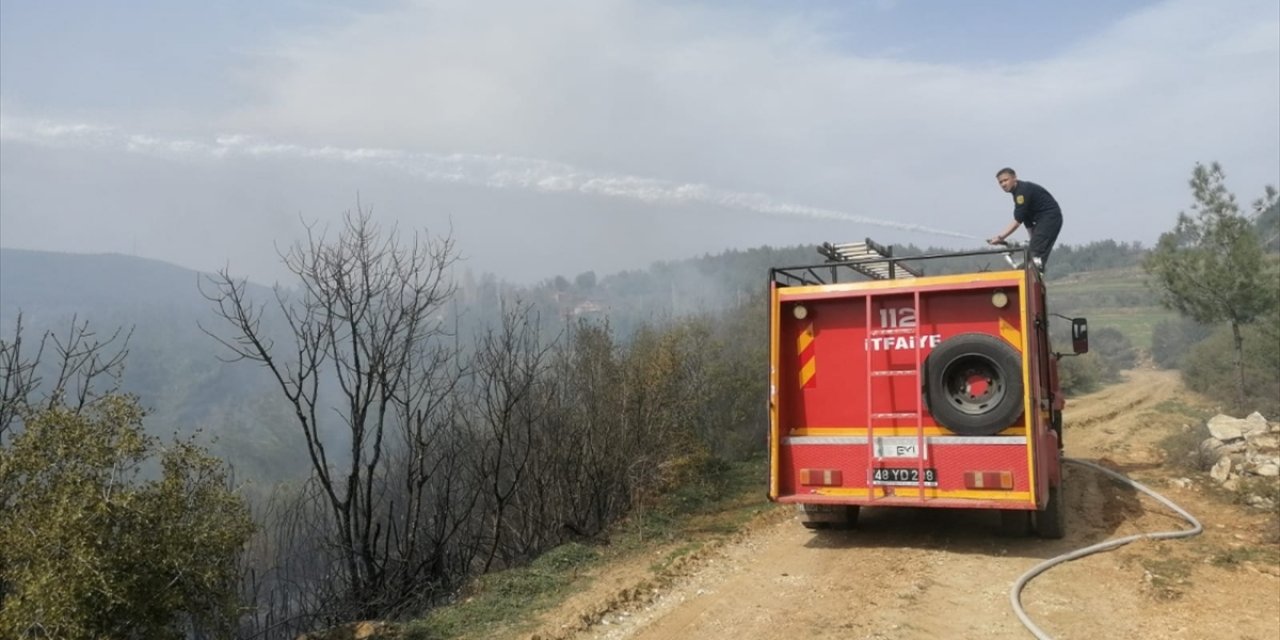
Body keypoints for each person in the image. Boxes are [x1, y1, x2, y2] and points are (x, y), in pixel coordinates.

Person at [987, 167, 1063, 270]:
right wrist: (1032, 238)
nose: (1003, 184)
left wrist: (1000, 237)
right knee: (1033, 253)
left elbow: (1017, 222)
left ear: (1014, 178)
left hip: (1049, 218)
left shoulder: (1021, 192)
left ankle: (1035, 274)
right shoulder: (1017, 194)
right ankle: (1034, 273)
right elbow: (1026, 220)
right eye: (1000, 182)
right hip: (1043, 220)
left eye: (1006, 180)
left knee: (1035, 255)